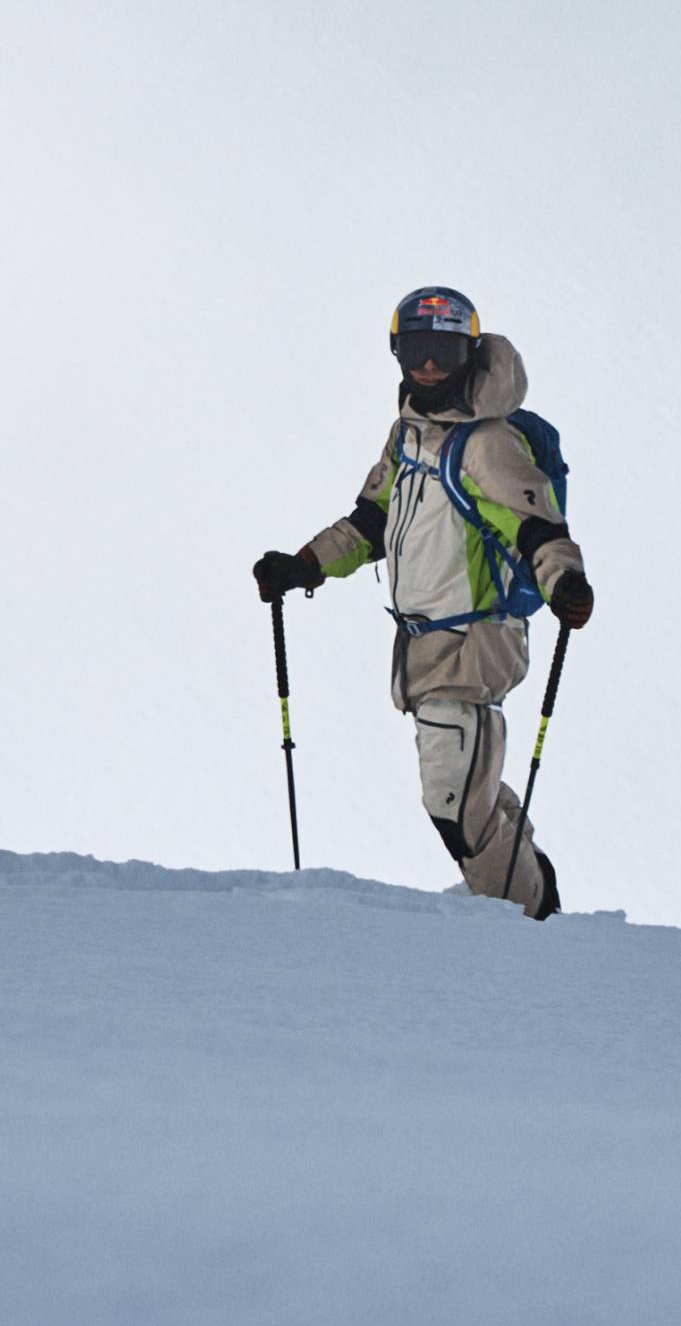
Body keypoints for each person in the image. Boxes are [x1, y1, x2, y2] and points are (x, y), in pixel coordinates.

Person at [252, 284, 594, 919]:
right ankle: (525, 891)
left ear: (467, 351)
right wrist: (302, 566)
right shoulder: (408, 434)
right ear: (397, 351)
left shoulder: (488, 442)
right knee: (464, 791)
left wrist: (564, 582)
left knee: (450, 802)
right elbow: (373, 522)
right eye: (415, 347)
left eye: (442, 348)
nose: (429, 364)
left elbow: (537, 526)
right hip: (421, 646)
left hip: (473, 642)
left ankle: (530, 917)